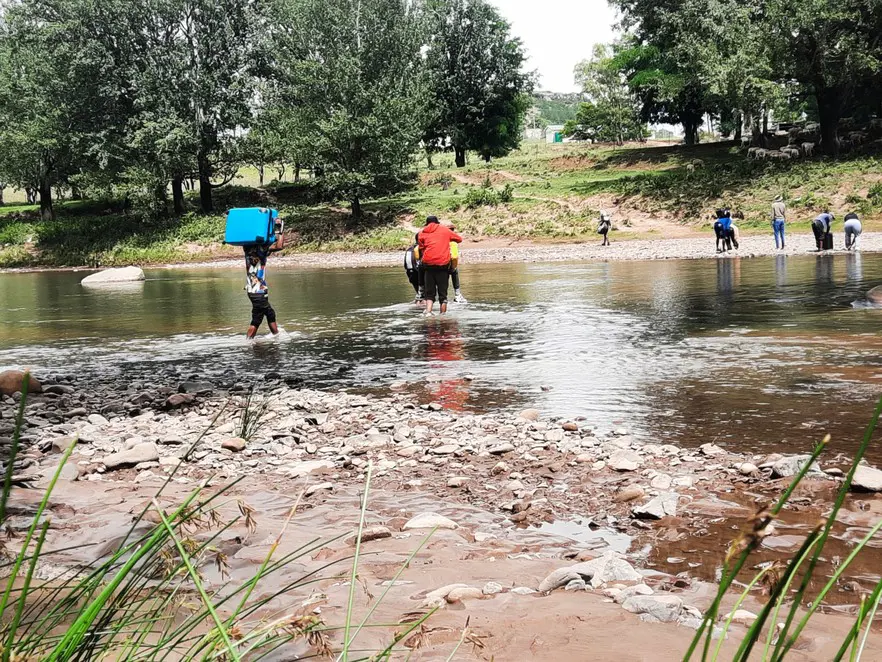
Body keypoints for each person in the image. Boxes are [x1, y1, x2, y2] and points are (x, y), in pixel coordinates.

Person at [244, 220, 285, 339]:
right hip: (257, 292)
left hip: (255, 290)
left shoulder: (247, 248)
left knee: (269, 313)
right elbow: (279, 246)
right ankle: (248, 342)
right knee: (257, 318)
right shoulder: (261, 249)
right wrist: (280, 230)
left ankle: (276, 336)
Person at [417, 215, 462, 316]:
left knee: (429, 294)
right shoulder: (445, 230)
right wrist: (447, 240)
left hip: (428, 265)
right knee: (443, 294)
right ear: (437, 222)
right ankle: (442, 316)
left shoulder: (421, 233)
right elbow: (459, 239)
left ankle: (428, 312)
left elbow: (421, 247)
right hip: (442, 265)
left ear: (427, 224)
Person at [443, 221, 468, 303]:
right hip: (448, 263)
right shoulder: (453, 242)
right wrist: (453, 267)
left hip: (440, 262)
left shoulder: (441, 238)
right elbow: (454, 256)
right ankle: (457, 294)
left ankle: (444, 296)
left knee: (443, 279)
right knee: (454, 272)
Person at [404, 237, 422, 302]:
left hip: (411, 274)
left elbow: (406, 264)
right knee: (426, 296)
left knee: (419, 294)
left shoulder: (409, 249)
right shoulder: (422, 248)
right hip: (420, 274)